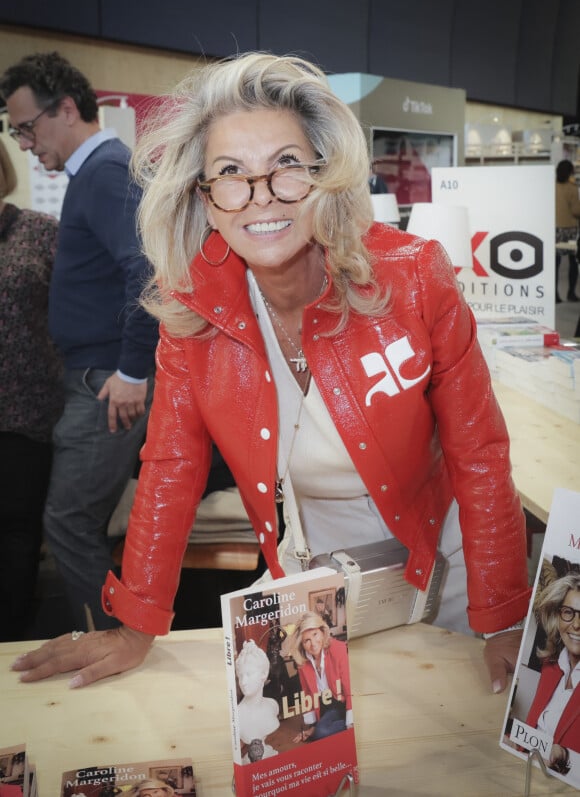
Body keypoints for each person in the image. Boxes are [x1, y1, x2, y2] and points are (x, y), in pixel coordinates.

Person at [10, 52, 529, 695]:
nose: (260, 196)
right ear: (204, 197)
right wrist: (136, 622)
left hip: (443, 560)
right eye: (231, 173)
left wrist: (504, 614)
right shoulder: (191, 314)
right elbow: (171, 464)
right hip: (315, 573)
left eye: (285, 164)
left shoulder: (415, 277)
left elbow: (478, 452)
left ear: (323, 173)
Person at [0, 52, 158, 632]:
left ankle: (108, 645)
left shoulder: (106, 171)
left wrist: (134, 372)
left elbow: (149, 272)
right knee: (72, 521)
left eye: (26, 127)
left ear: (65, 108)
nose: (22, 143)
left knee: (68, 521)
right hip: (95, 375)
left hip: (106, 379)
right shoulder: (94, 174)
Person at [0, 139, 63, 641]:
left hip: (26, 412)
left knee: (17, 536)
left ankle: (11, 639)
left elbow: (77, 312)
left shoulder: (39, 233)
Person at [526, 573, 580, 780]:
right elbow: (535, 730)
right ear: (557, 616)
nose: (576, 624)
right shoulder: (550, 668)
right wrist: (516, 743)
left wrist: (565, 756)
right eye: (568, 612)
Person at [289, 611, 352, 742]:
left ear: (322, 632)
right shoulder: (302, 663)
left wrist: (350, 721)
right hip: (327, 706)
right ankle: (320, 728)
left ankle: (353, 720)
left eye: (315, 634)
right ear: (302, 644)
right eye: (307, 640)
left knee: (321, 733)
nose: (313, 643)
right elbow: (307, 693)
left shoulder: (337, 649)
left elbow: (349, 687)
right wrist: (312, 725)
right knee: (319, 732)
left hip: (346, 701)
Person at [235, 639, 280, 759]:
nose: (243, 682)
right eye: (240, 676)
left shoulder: (272, 705)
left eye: (249, 674)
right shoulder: (238, 715)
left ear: (264, 674)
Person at [555, 159, 580, 303]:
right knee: (573, 263)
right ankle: (571, 293)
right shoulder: (572, 188)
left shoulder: (552, 186)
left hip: (556, 229)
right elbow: (576, 211)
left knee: (555, 264)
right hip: (570, 230)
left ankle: (556, 295)